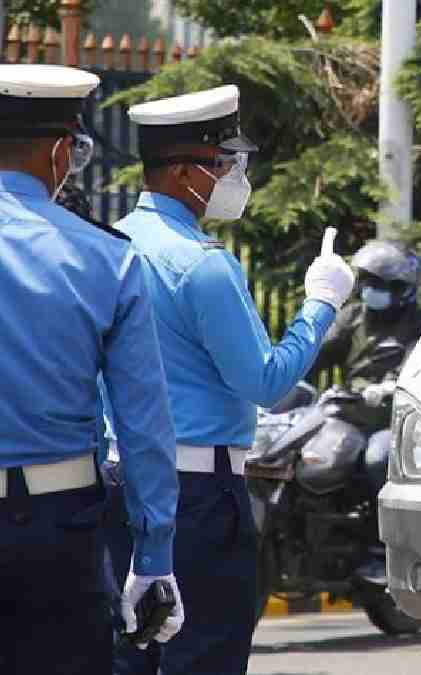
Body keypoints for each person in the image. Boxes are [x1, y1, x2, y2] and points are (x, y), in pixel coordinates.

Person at [104, 84, 355, 675]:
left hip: (118, 484)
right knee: (205, 654)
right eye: (225, 164)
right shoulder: (202, 264)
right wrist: (321, 304)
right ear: (186, 172)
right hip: (198, 495)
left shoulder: (107, 244)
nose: (235, 177)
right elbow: (265, 380)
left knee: (127, 656)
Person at [0, 64, 182, 674]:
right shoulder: (105, 258)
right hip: (60, 526)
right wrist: (153, 555)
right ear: (60, 152)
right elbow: (144, 424)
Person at [308, 238, 421, 402]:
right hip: (349, 406)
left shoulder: (420, 324)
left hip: (393, 411)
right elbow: (318, 353)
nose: (371, 287)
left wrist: (388, 386)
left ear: (403, 288)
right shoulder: (352, 316)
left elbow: (413, 368)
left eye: (380, 283)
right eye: (368, 280)